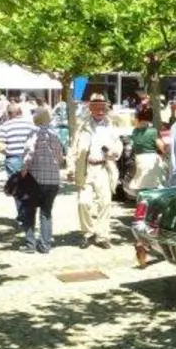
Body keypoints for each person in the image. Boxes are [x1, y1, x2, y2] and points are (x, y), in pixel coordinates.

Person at [71, 93, 123, 248]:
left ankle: (102, 236)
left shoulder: (111, 125)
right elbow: (74, 147)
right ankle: (87, 233)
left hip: (103, 168)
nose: (100, 111)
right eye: (97, 107)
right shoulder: (82, 126)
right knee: (83, 202)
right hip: (86, 168)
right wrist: (70, 168)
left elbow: (118, 144)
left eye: (103, 107)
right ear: (91, 108)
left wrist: (115, 152)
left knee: (105, 202)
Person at [21, 106, 65, 253]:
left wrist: (24, 169)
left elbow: (29, 152)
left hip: (35, 178)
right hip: (52, 180)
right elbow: (60, 157)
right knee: (46, 213)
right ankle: (45, 245)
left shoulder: (34, 133)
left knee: (29, 211)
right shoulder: (54, 134)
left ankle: (30, 244)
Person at [129, 105, 167, 267]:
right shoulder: (152, 132)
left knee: (142, 206)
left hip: (140, 166)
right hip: (152, 166)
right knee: (156, 207)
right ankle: (151, 241)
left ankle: (141, 242)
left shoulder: (135, 132)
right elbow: (162, 147)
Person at [0, 102, 35, 230]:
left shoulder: (4, 126)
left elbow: (1, 147)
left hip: (13, 159)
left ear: (9, 114)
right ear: (21, 112)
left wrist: (10, 151)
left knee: (17, 190)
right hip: (29, 159)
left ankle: (22, 218)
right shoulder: (30, 125)